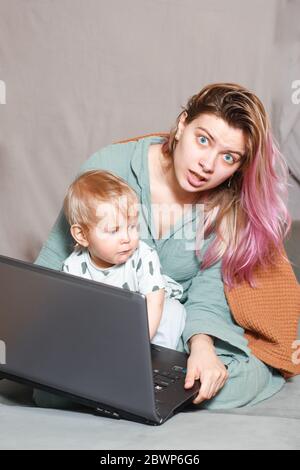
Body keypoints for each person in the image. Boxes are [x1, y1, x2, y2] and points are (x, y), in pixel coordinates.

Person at [33, 83, 300, 411]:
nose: (208, 164)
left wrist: (202, 346)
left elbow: (208, 291)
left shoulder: (227, 208)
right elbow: (55, 259)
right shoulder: (109, 168)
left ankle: (141, 388)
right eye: (203, 140)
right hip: (95, 322)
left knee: (230, 379)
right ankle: (131, 388)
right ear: (183, 124)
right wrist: (34, 336)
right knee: (46, 387)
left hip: (173, 330)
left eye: (228, 157)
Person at [61, 168, 186, 347]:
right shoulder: (72, 267)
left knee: (173, 311)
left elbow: (154, 302)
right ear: (82, 235)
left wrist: (138, 346)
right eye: (114, 230)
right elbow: (73, 312)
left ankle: (155, 355)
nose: (127, 238)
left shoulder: (143, 256)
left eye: (133, 226)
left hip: (145, 318)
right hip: (106, 322)